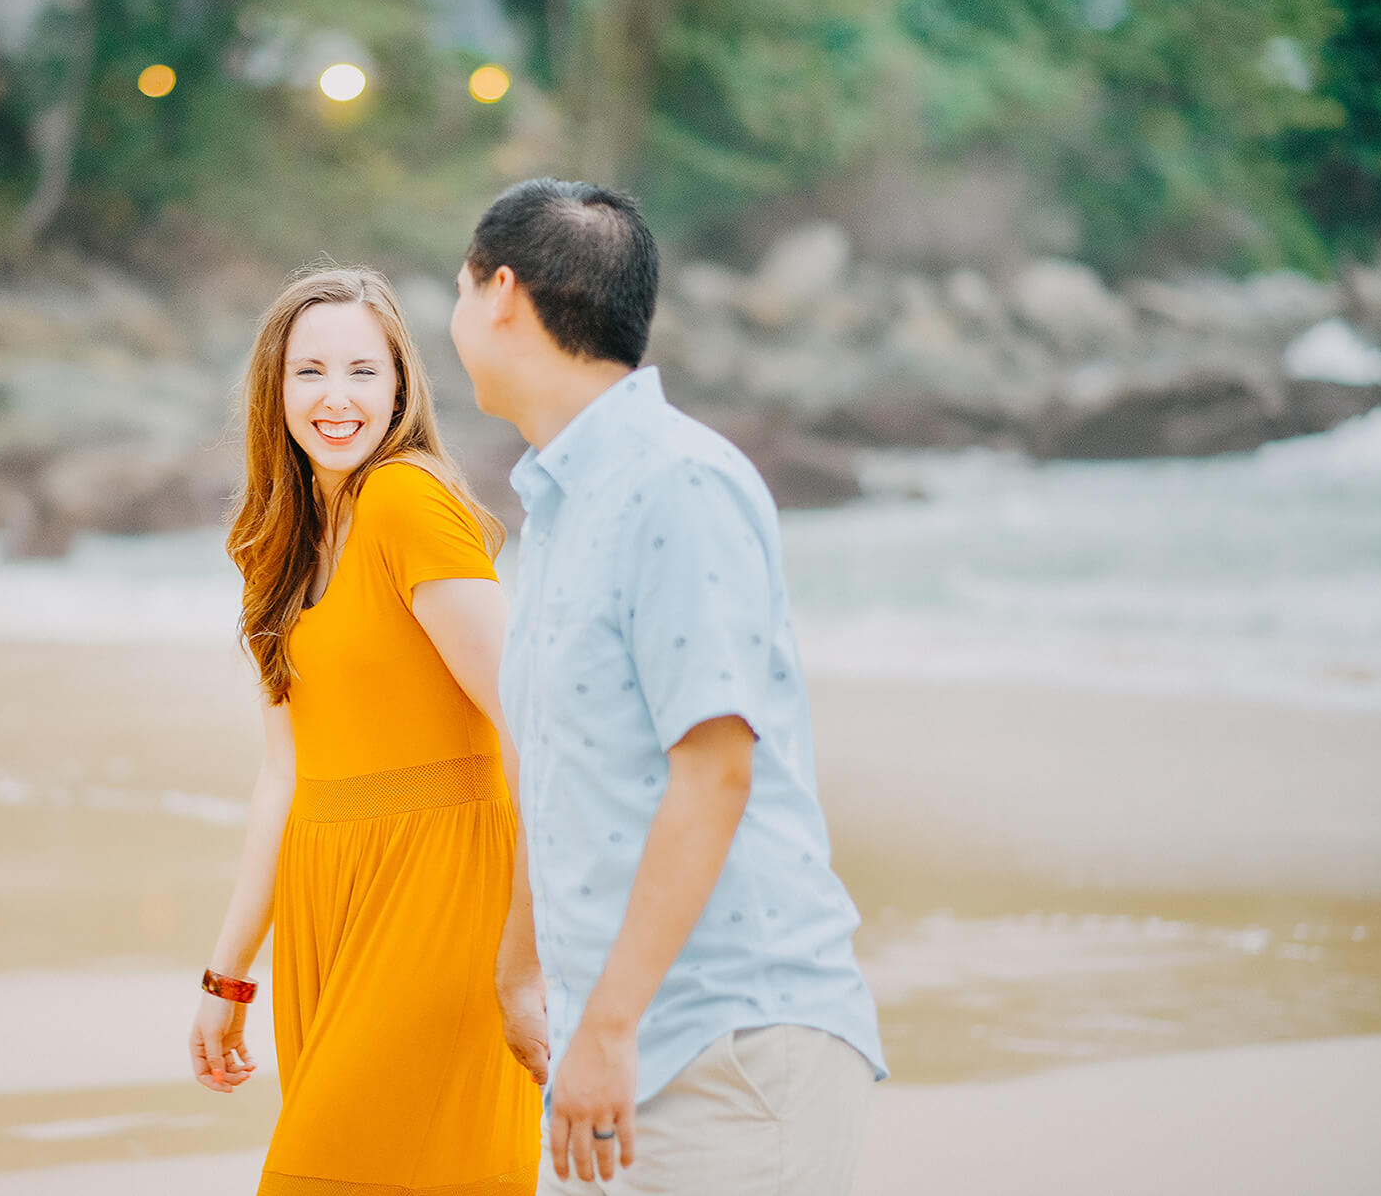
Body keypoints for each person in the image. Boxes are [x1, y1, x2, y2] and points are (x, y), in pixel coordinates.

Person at [449, 179, 887, 1194]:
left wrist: (605, 1023)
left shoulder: (675, 480)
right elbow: (560, 765)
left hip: (725, 1042)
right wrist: (523, 973)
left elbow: (713, 768)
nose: (458, 316)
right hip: (613, 1042)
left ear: (501, 291)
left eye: (459, 288)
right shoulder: (560, 504)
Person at [190, 265, 543, 1194]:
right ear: (275, 389)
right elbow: (284, 775)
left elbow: (536, 725)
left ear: (400, 389)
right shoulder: (274, 546)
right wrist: (228, 977)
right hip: (327, 904)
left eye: (361, 372)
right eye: (309, 373)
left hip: (439, 903)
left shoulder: (407, 503)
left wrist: (523, 952)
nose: (335, 399)